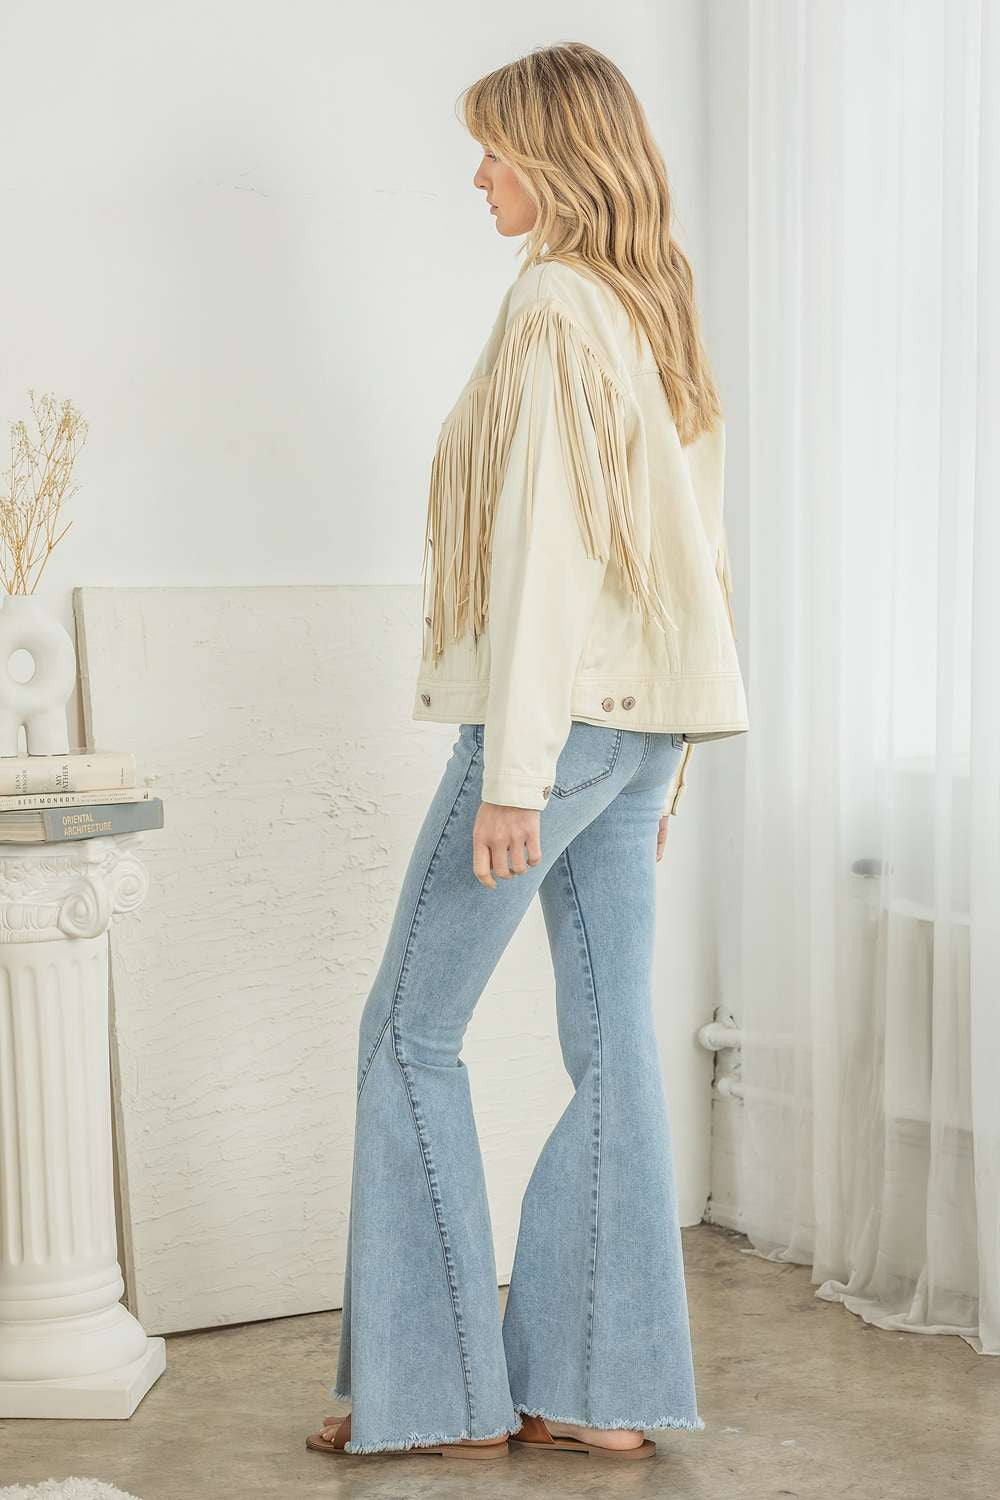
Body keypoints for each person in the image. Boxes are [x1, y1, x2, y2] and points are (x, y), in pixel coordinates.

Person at [306, 40, 749, 1463]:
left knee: (406, 1034)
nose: (478, 173)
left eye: (495, 146)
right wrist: (664, 765)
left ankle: (433, 1399)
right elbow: (695, 555)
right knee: (614, 1047)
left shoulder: (557, 301)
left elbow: (551, 546)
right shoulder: (652, 301)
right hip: (640, 724)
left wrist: (514, 772)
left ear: (555, 161)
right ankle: (598, 1396)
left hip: (556, 730)